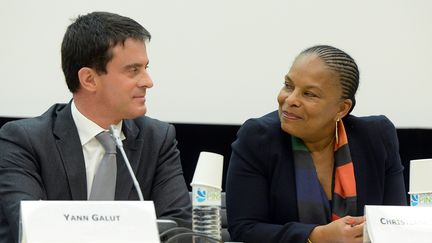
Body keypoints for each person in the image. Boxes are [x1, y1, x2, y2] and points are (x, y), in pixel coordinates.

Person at [0, 11, 191, 242]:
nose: (148, 81)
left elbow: (177, 230)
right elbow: (31, 229)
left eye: (146, 68)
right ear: (89, 79)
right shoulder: (25, 141)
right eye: (133, 70)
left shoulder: (157, 139)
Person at [226, 45, 407, 243]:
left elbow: (396, 222)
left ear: (342, 108)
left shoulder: (376, 137)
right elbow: (245, 229)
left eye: (309, 94)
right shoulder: (258, 138)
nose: (290, 99)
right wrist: (317, 236)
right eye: (288, 85)